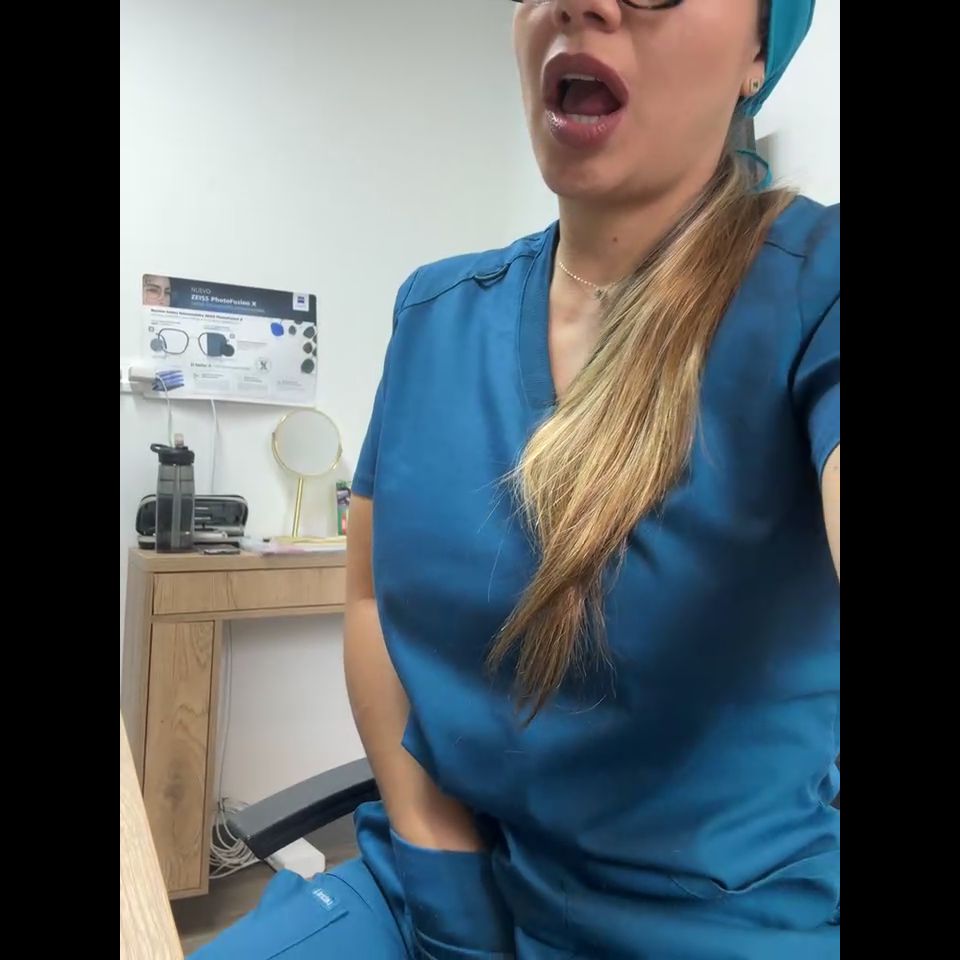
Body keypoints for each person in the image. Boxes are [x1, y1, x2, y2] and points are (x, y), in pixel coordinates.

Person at [193, 1, 839, 957]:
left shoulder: (814, 286)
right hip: (428, 889)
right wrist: (437, 860)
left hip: (710, 924)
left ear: (758, 51)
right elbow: (369, 598)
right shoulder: (436, 311)